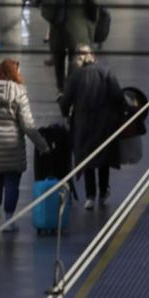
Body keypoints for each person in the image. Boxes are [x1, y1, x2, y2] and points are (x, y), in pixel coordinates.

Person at [0, 60, 51, 231]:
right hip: (12, 144)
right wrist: (43, 145)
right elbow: (27, 125)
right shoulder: (19, 93)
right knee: (12, 182)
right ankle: (8, 220)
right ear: (15, 72)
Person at [59, 46, 127, 210]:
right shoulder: (106, 72)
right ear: (93, 56)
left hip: (83, 124)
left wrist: (65, 111)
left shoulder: (75, 77)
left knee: (88, 159)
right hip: (104, 122)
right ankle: (103, 192)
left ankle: (90, 196)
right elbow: (117, 96)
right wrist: (122, 111)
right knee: (103, 158)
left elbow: (65, 102)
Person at [37, 0, 100, 92]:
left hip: (58, 26)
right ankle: (72, 88)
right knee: (76, 59)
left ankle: (60, 87)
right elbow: (94, 3)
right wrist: (92, 21)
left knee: (59, 59)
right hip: (79, 28)